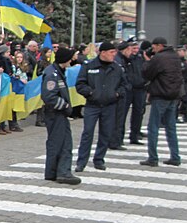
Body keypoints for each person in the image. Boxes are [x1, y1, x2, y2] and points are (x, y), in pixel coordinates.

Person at [74, 41, 126, 173]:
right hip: (92, 105)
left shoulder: (117, 68)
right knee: (88, 133)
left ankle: (99, 159)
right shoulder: (89, 66)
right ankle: (81, 162)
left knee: (105, 134)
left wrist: (117, 94)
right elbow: (80, 84)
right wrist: (90, 93)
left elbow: (125, 85)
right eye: (111, 52)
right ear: (103, 53)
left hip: (109, 105)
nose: (114, 55)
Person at [140, 37, 183, 167]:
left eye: (154, 48)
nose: (153, 50)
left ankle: (153, 158)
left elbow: (147, 74)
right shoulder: (175, 56)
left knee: (153, 127)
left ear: (159, 46)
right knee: (171, 127)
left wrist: (148, 61)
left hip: (161, 95)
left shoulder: (159, 58)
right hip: (174, 95)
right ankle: (175, 156)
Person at [41, 47, 80, 185]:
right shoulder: (52, 74)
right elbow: (49, 97)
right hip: (56, 114)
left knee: (58, 142)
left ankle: (52, 172)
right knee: (62, 143)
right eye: (70, 58)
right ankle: (63, 173)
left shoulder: (58, 72)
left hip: (58, 114)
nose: (72, 60)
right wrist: (65, 106)